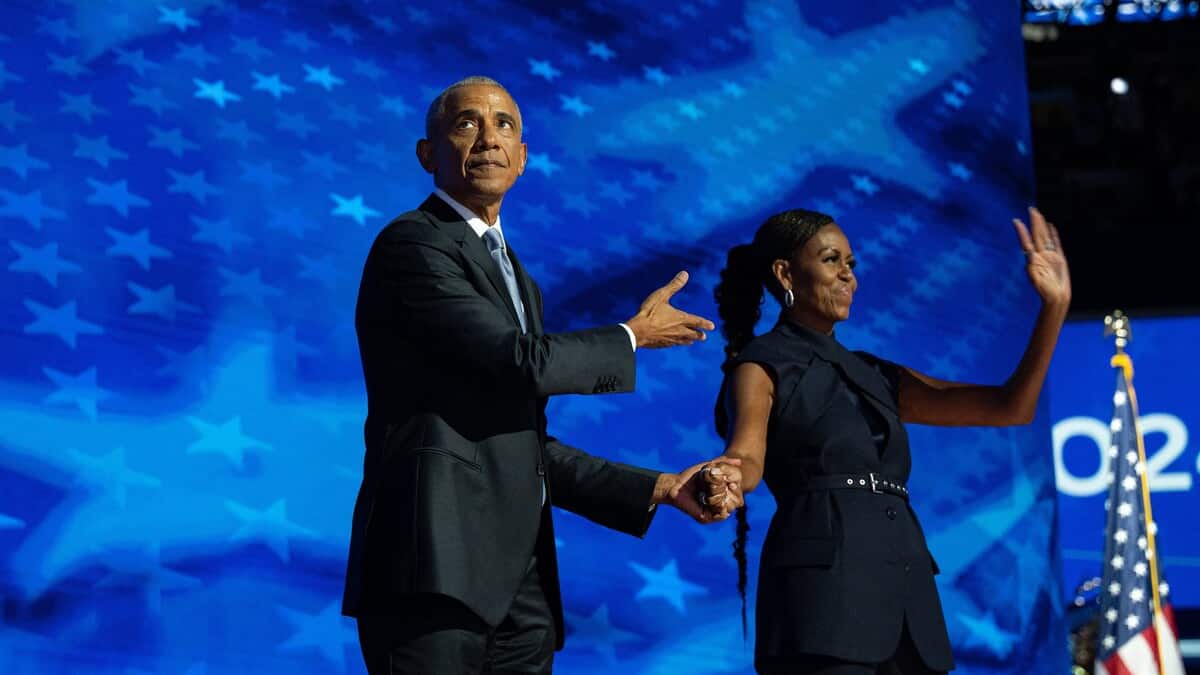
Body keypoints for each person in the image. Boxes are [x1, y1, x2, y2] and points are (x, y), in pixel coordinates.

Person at [341, 75, 743, 675]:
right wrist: (631, 337)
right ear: (428, 154)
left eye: (504, 124)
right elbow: (519, 361)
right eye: (465, 123)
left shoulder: (518, 280)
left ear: (523, 158)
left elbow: (523, 447)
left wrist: (659, 487)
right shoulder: (413, 245)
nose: (487, 139)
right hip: (433, 568)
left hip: (520, 589)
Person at [697, 206, 1070, 674]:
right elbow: (745, 454)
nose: (848, 276)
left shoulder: (874, 374)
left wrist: (1054, 308)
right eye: (832, 260)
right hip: (822, 603)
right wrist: (729, 475)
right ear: (785, 272)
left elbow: (1011, 407)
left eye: (851, 264)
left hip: (906, 601)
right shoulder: (761, 364)